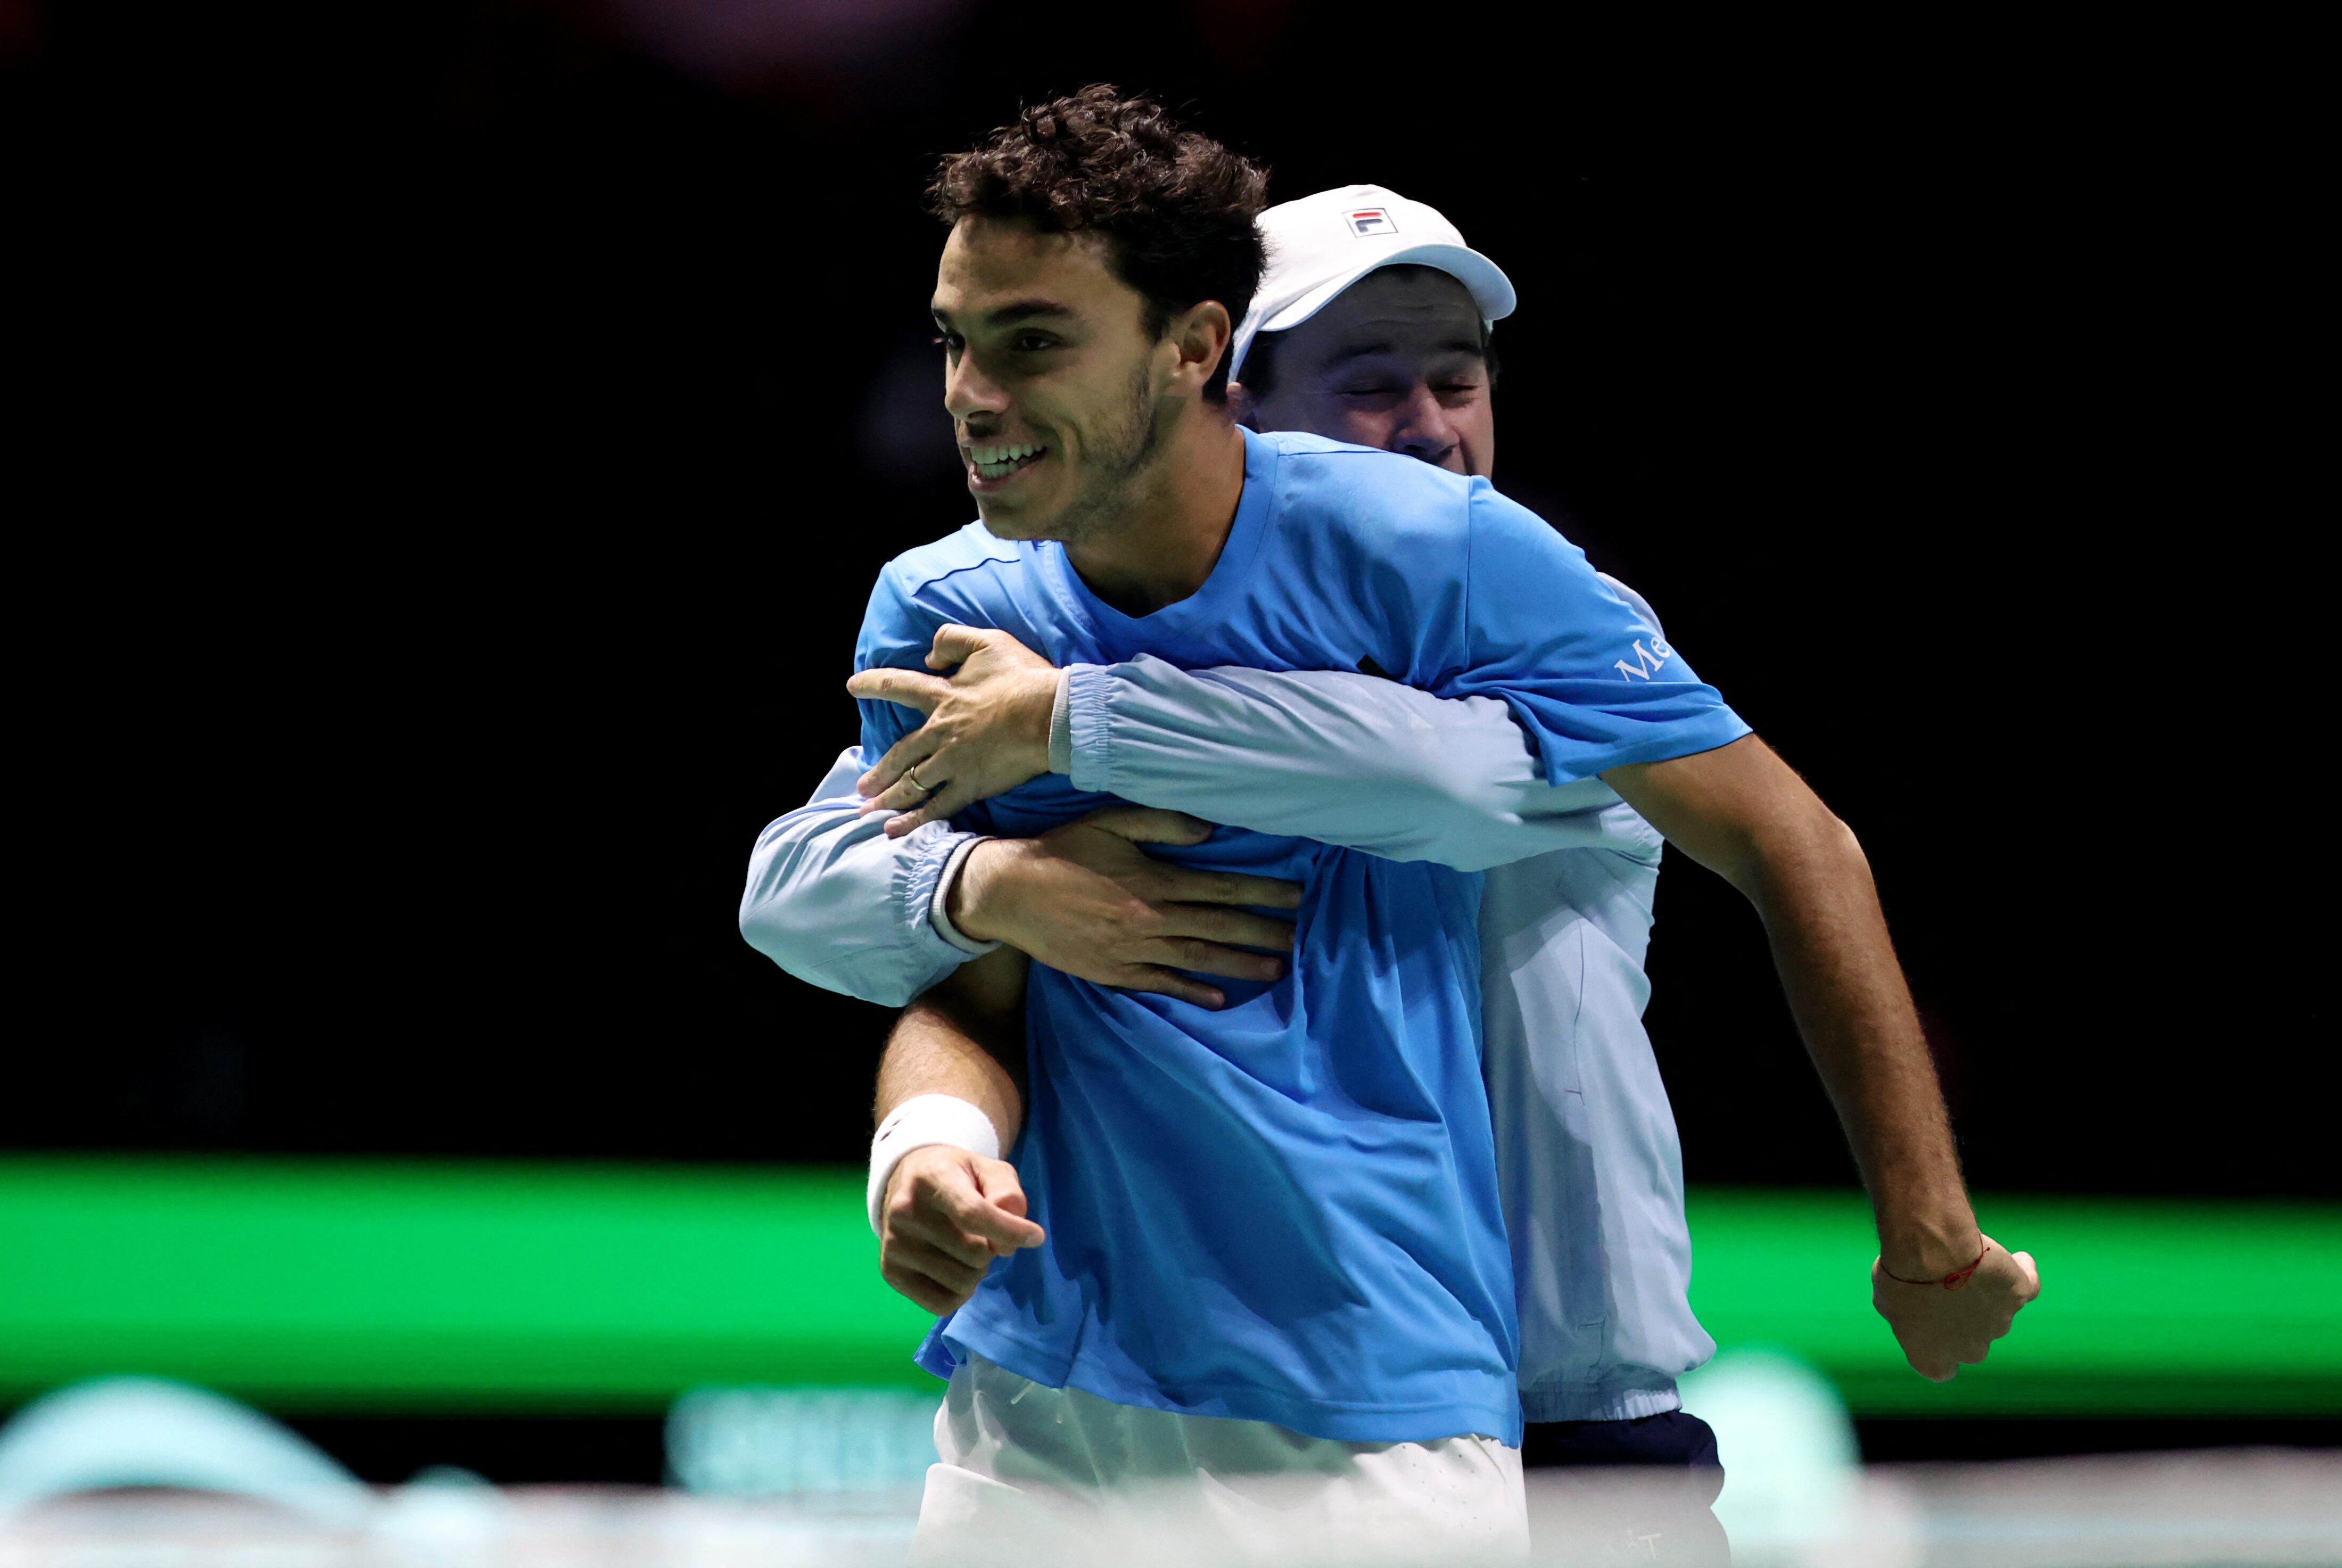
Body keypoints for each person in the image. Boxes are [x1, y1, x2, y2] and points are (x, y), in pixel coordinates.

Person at [745, 171, 2038, 1557]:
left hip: (1563, 1384)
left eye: (1457, 377)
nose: (1429, 428)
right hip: (1102, 1379)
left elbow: (1442, 779)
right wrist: (988, 912)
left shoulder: (1541, 617)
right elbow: (835, 891)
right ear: (1220, 392)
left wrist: (1076, 720)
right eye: (1372, 384)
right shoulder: (1016, 606)